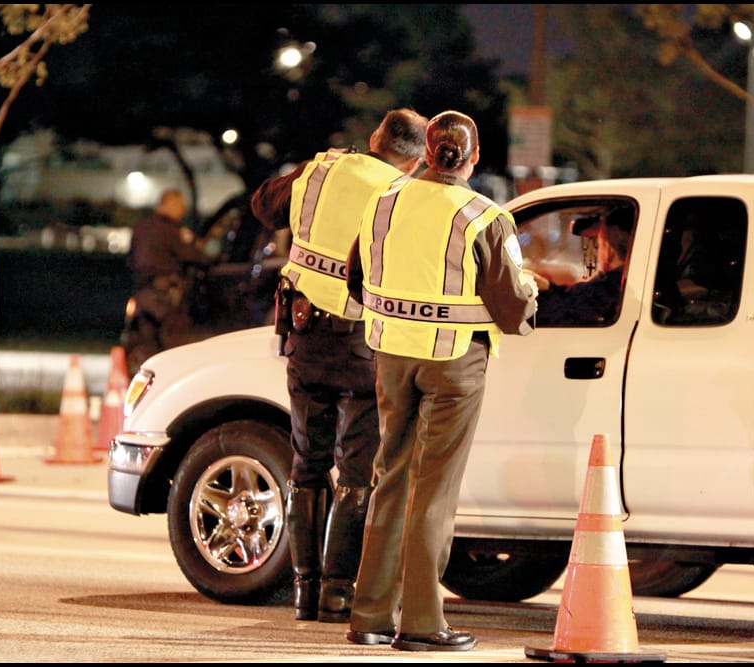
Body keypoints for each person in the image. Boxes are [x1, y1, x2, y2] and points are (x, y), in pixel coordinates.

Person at [344, 110, 538, 652]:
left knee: (391, 477)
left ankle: (371, 616)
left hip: (390, 357)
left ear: (428, 153)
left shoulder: (384, 201)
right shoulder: (483, 216)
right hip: (454, 364)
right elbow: (512, 309)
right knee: (434, 489)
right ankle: (424, 623)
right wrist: (533, 291)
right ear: (472, 159)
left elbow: (357, 279)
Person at [250, 108, 429, 623]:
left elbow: (265, 204)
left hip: (304, 335)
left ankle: (305, 592)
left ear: (375, 137)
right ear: (417, 159)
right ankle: (337, 592)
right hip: (363, 344)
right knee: (356, 469)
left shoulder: (322, 169)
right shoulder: (403, 196)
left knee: (307, 462)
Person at [124, 188, 212, 372]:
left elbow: (130, 260)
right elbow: (194, 257)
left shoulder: (141, 227)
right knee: (174, 348)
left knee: (146, 347)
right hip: (167, 297)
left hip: (143, 295)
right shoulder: (172, 230)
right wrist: (209, 258)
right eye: (180, 206)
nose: (182, 211)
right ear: (170, 204)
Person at [527, 209, 632, 326]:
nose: (597, 252)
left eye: (599, 244)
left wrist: (537, 289)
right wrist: (547, 286)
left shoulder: (606, 288)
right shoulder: (626, 283)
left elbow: (561, 308)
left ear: (608, 251)